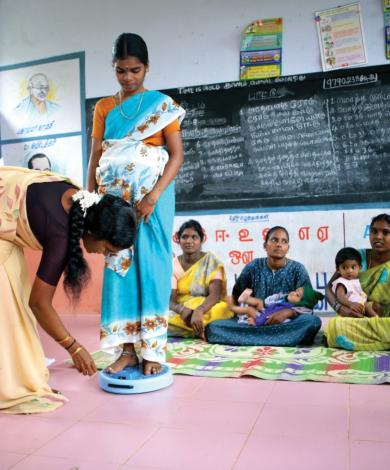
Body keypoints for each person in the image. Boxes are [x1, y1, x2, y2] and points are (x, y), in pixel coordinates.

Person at [0, 166, 137, 414]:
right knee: (9, 310)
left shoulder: (80, 203)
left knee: (17, 295)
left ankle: (24, 373)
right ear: (93, 232)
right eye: (108, 249)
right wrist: (74, 347)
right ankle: (13, 383)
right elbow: (39, 304)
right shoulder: (61, 236)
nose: (105, 255)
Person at [86, 33, 185, 375]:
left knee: (154, 270)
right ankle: (127, 349)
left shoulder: (161, 105)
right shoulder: (103, 108)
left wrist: (153, 195)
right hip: (114, 204)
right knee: (119, 269)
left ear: (147, 68)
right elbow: (96, 156)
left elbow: (177, 155)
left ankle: (154, 351)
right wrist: (91, 201)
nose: (128, 78)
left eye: (135, 70)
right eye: (121, 71)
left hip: (153, 203)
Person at [206, 226, 322, 346]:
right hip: (255, 322)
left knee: (312, 322)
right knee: (213, 327)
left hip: (286, 323)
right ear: (265, 245)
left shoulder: (298, 269)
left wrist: (289, 312)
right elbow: (237, 294)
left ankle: (251, 338)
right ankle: (280, 339)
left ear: (288, 248)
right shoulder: (253, 266)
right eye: (274, 240)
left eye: (284, 241)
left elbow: (308, 304)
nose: (279, 244)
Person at [324, 214, 390, 351]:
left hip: (385, 316)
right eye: (374, 231)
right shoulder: (356, 257)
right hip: (356, 317)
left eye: (385, 232)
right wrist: (341, 309)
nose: (378, 236)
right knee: (335, 326)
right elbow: (329, 288)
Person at [168, 220, 233, 339]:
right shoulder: (173, 265)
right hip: (184, 309)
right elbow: (170, 301)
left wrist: (199, 310)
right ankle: (204, 329)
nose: (189, 241)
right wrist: (181, 309)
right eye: (184, 237)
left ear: (201, 240)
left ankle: (192, 327)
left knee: (223, 308)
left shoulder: (211, 261)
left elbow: (215, 295)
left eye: (194, 237)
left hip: (207, 306)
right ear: (178, 240)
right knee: (159, 316)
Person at [235, 286, 324, 326]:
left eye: (297, 295)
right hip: (265, 310)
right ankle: (244, 300)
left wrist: (256, 322)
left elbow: (268, 316)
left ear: (302, 303)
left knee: (249, 310)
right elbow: (269, 303)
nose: (293, 293)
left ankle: (236, 308)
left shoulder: (289, 308)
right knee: (257, 302)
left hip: (262, 318)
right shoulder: (283, 299)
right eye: (295, 291)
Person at [331, 247, 377, 318]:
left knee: (376, 305)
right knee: (367, 307)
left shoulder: (357, 281)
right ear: (338, 270)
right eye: (344, 268)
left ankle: (377, 319)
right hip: (350, 308)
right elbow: (340, 296)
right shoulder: (341, 282)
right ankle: (376, 320)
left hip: (361, 306)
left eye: (353, 267)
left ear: (360, 267)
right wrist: (350, 304)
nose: (349, 271)